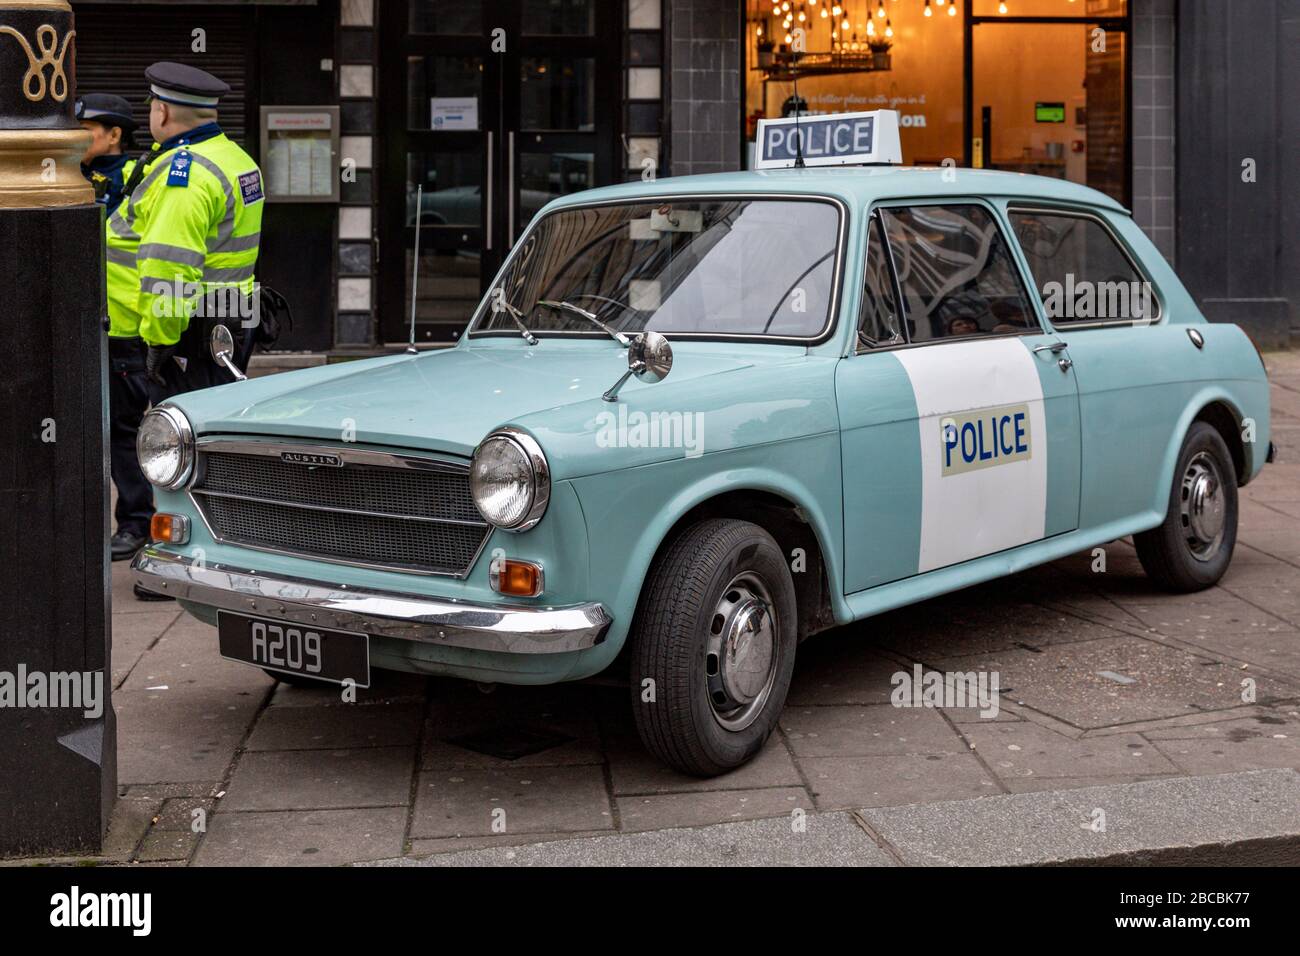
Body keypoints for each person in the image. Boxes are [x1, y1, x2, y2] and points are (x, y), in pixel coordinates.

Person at [105, 61, 264, 399]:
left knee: (173, 436)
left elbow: (171, 267)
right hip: (228, 318)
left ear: (161, 112)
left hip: (183, 332)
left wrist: (160, 341)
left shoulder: (186, 176)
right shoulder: (236, 158)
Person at [77, 93, 138, 217]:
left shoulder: (136, 178)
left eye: (84, 129)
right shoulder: (65, 175)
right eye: (73, 130)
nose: (75, 136)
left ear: (114, 135)